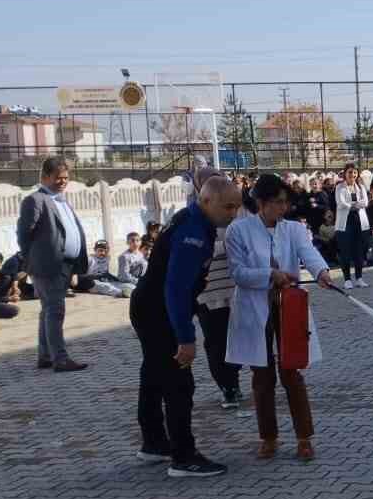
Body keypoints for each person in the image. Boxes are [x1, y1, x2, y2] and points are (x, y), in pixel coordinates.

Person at [129, 175, 244, 478]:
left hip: (150, 306)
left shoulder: (196, 220)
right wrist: (185, 337)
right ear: (206, 201)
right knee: (179, 384)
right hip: (159, 312)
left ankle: (154, 443)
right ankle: (183, 456)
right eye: (227, 207)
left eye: (237, 207)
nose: (233, 213)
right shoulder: (192, 231)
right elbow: (176, 289)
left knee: (153, 375)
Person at [225, 173, 336, 462]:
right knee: (262, 376)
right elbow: (237, 273)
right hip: (254, 306)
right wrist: (269, 275)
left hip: (289, 306)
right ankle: (268, 438)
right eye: (277, 203)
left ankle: (304, 438)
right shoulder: (238, 231)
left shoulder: (294, 230)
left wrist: (322, 272)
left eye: (286, 203)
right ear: (260, 203)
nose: (283, 208)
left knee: (292, 372)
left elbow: (308, 254)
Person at [16, 156, 91, 372]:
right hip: (48, 266)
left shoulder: (62, 199)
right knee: (55, 311)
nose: (63, 181)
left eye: (66, 178)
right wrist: (33, 261)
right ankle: (60, 359)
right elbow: (23, 235)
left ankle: (45, 355)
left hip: (65, 265)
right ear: (45, 176)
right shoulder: (35, 200)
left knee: (47, 310)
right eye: (58, 178)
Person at [190, 168, 245, 410]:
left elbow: (245, 244)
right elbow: (198, 250)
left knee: (236, 340)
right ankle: (227, 387)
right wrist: (226, 247)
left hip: (235, 289)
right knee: (216, 342)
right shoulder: (194, 217)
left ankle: (234, 380)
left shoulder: (235, 211)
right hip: (208, 292)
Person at [334, 163, 372, 288]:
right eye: (350, 172)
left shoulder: (361, 187)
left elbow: (365, 202)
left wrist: (353, 205)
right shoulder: (340, 187)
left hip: (360, 222)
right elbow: (341, 203)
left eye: (355, 172)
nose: (352, 175)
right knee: (345, 251)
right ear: (345, 174)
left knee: (359, 251)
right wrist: (354, 205)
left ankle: (359, 278)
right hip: (345, 223)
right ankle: (347, 280)